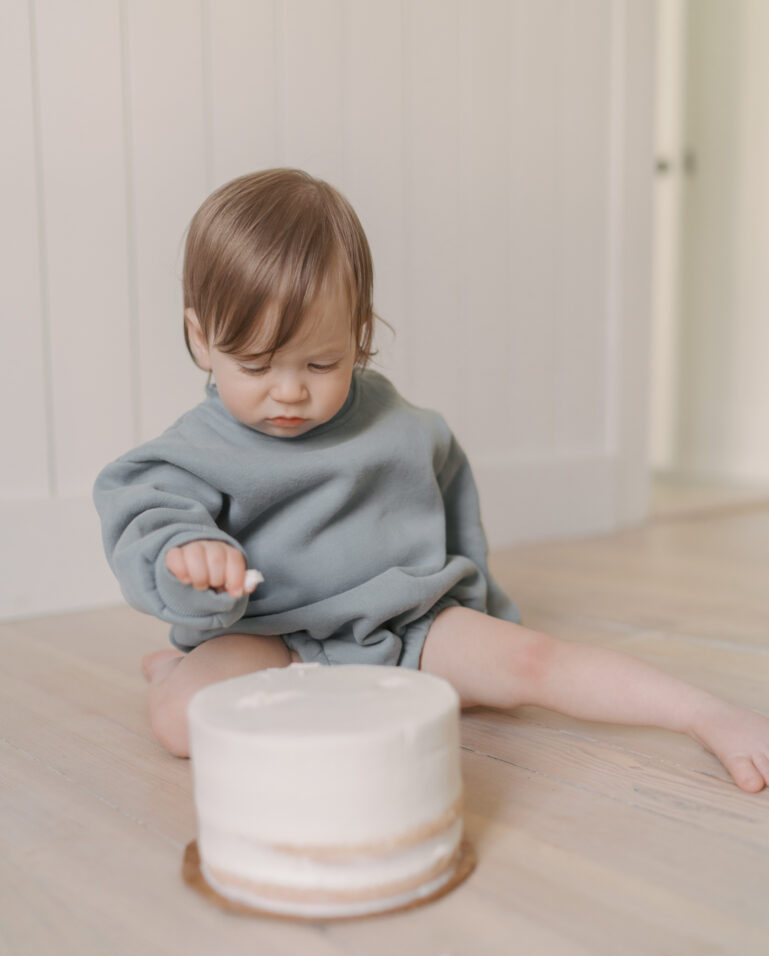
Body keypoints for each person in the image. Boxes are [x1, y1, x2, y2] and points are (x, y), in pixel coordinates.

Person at [94, 169, 769, 792]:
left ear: (358, 333)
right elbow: (149, 525)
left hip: (405, 625)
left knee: (533, 662)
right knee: (180, 725)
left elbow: (453, 519)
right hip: (266, 634)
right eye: (256, 365)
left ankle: (704, 713)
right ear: (202, 338)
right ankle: (181, 673)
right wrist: (189, 560)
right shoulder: (188, 454)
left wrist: (479, 619)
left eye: (322, 363)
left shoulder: (403, 426)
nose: (290, 391)